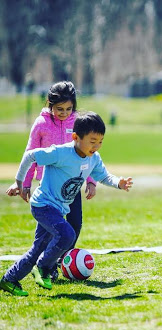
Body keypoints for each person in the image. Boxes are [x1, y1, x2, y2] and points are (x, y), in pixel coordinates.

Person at [1, 112, 133, 296]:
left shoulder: (93, 158)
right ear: (75, 137)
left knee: (38, 248)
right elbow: (30, 156)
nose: (96, 146)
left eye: (100, 141)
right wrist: (19, 181)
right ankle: (43, 267)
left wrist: (119, 183)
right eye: (92, 141)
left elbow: (103, 175)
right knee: (67, 234)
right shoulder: (60, 153)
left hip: (57, 209)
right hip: (43, 205)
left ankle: (9, 280)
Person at [22, 81, 97, 281]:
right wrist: (25, 182)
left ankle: (61, 262)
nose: (64, 113)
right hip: (49, 188)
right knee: (49, 231)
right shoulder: (41, 124)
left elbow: (89, 152)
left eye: (68, 109)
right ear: (50, 104)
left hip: (72, 186)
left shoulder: (78, 123)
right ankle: (46, 266)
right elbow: (30, 154)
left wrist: (91, 181)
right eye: (59, 109)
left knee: (75, 225)